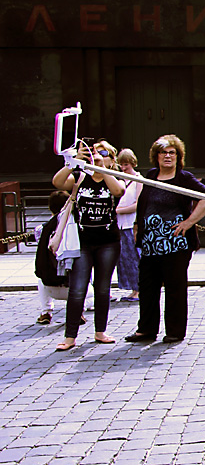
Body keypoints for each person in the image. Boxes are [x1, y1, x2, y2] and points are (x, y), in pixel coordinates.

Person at [125, 135, 205, 344]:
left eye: (171, 152)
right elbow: (143, 203)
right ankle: (146, 330)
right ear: (156, 156)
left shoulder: (184, 178)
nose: (167, 156)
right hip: (150, 244)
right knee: (147, 288)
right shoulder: (151, 176)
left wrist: (188, 222)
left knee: (174, 288)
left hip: (176, 244)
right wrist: (139, 226)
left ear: (178, 156)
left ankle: (174, 331)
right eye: (163, 152)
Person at [51, 139, 124, 350]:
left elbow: (118, 192)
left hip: (108, 242)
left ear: (112, 159)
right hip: (82, 242)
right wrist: (72, 162)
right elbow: (57, 183)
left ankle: (100, 331)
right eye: (93, 152)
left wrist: (102, 167)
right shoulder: (80, 177)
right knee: (77, 288)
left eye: (102, 152)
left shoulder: (115, 178)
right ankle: (70, 336)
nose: (96, 155)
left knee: (102, 288)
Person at [34, 190, 71, 326]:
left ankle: (46, 311)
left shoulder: (41, 229)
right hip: (72, 286)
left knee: (40, 279)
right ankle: (80, 311)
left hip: (49, 283)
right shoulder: (74, 229)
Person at [115, 148, 141, 302]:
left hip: (132, 223)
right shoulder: (120, 180)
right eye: (121, 165)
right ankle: (132, 288)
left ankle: (139, 289)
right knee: (124, 258)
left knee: (134, 257)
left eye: (126, 164)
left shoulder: (138, 180)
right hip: (120, 225)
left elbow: (138, 204)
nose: (124, 168)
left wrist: (120, 210)